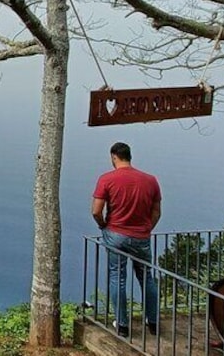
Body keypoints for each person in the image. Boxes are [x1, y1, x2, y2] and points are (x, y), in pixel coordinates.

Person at [92, 142, 161, 336]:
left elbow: (96, 211)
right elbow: (156, 212)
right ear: (129, 156)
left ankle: (122, 326)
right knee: (147, 278)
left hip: (116, 235)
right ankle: (153, 323)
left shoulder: (107, 179)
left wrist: (103, 225)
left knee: (117, 278)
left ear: (114, 157)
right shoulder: (150, 180)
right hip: (141, 236)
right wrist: (147, 228)